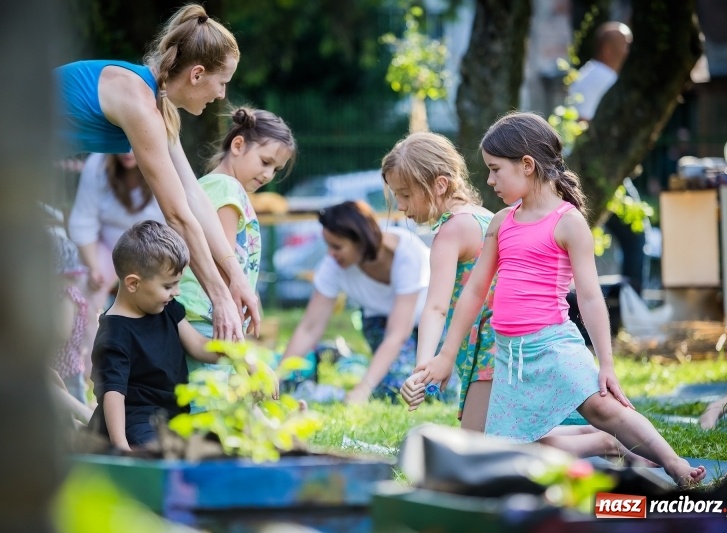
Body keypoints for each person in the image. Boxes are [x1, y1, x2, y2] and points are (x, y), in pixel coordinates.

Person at [414, 112, 705, 486]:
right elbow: (473, 292)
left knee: (605, 409)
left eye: (495, 169)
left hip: (553, 345)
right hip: (509, 357)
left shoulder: (568, 222)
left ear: (527, 165)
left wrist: (607, 364)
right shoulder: (502, 222)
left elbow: (589, 296)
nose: (489, 180)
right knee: (511, 454)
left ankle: (674, 463)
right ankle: (604, 447)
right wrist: (446, 355)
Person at [54, 3, 258, 341]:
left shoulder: (156, 105)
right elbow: (177, 215)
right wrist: (219, 299)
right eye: (222, 83)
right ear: (196, 74)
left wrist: (234, 277)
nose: (222, 94)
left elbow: (193, 197)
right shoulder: (140, 104)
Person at [88, 221, 277, 450]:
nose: (176, 292)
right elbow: (113, 394)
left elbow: (198, 344)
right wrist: (122, 448)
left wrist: (245, 359)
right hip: (135, 423)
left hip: (175, 418)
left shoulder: (166, 308)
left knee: (229, 436)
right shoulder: (114, 333)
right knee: (163, 457)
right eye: (169, 286)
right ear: (133, 283)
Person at [381, 132, 495, 431]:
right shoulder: (485, 216)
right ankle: (600, 441)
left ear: (440, 184)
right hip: (508, 345)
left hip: (489, 352)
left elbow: (436, 308)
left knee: (475, 449)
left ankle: (604, 441)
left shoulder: (451, 231)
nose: (402, 206)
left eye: (405, 195)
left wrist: (422, 369)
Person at [177, 106, 296, 373]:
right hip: (206, 313)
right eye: (265, 162)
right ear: (238, 145)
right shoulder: (226, 187)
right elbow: (222, 257)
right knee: (209, 401)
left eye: (276, 170)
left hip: (203, 311)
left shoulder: (215, 186)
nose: (268, 175)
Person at [281, 201, 433, 403]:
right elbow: (309, 327)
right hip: (379, 321)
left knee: (435, 389)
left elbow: (398, 333)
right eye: (328, 246)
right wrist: (277, 376)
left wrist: (363, 389)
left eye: (337, 246)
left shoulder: (407, 254)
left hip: (429, 323)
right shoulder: (333, 266)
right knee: (395, 388)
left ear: (361, 240)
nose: (330, 254)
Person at [68, 151, 165, 376]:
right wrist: (92, 268)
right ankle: (90, 370)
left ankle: (145, 367)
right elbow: (84, 219)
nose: (127, 152)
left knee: (153, 297)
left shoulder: (160, 159)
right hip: (107, 244)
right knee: (85, 290)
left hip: (150, 247)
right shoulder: (97, 163)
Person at [47, 227, 90, 404]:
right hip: (59, 367)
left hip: (67, 370)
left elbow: (63, 332)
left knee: (74, 410)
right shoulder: (63, 294)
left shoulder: (67, 295)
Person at [569, 21, 632, 121]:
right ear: (607, 49)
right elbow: (582, 120)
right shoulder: (601, 76)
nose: (627, 52)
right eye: (625, 45)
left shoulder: (592, 71)